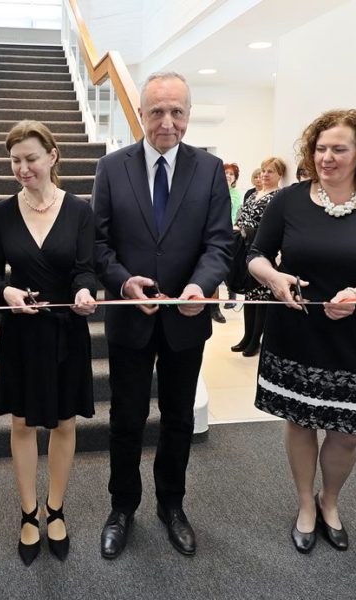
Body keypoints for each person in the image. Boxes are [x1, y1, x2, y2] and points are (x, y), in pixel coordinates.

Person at [246, 109, 356, 554]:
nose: (327, 157)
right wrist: (274, 278)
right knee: (300, 423)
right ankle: (305, 503)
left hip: (350, 336)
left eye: (339, 149)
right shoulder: (288, 200)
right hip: (294, 332)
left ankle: (329, 501)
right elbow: (256, 255)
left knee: (346, 433)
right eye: (320, 149)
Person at [93, 72, 231, 559]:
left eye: (177, 112)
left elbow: (220, 243)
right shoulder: (111, 168)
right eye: (157, 112)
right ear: (141, 114)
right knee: (126, 418)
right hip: (130, 318)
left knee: (178, 418)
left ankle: (172, 504)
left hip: (185, 319)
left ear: (188, 115)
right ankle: (122, 506)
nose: (167, 122)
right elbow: (99, 243)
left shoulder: (210, 169)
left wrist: (201, 285)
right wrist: (123, 282)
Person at [0, 120, 97, 565]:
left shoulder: (79, 211)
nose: (22, 168)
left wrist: (84, 291)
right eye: (15, 161)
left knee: (65, 423)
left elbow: (86, 268)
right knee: (22, 424)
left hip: (67, 331)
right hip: (21, 334)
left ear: (52, 156)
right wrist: (5, 292)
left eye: (31, 158)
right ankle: (29, 513)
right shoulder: (2, 213)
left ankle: (56, 509)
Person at [231, 157, 286, 357]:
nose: (265, 174)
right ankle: (247, 336)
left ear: (280, 175)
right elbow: (242, 217)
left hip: (263, 251)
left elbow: (273, 226)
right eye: (263, 171)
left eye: (270, 171)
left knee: (261, 296)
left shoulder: (278, 196)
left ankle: (255, 340)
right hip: (245, 249)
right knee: (249, 296)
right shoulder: (254, 193)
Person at [223, 162, 242, 309]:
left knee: (229, 264)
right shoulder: (215, 189)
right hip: (214, 231)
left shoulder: (236, 193)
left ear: (235, 178)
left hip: (230, 231)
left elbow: (234, 211)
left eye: (231, 174)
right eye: (226, 173)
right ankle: (213, 307)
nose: (228, 176)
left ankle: (232, 296)